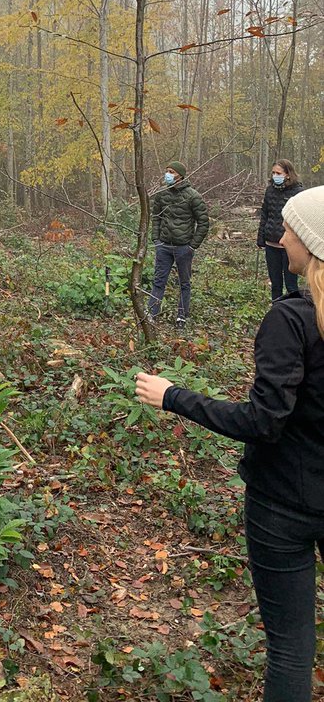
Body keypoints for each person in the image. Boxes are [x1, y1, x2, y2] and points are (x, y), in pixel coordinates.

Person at [136, 185, 324, 702]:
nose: (281, 237)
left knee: (290, 650)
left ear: (311, 244)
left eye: (290, 230)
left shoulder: (291, 320)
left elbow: (264, 421)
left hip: (282, 504)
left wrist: (173, 395)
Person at [148, 160, 209, 327]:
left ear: (181, 176)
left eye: (172, 172)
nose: (168, 175)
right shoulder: (161, 194)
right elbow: (156, 218)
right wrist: (156, 240)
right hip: (164, 246)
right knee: (159, 281)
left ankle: (181, 316)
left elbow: (203, 222)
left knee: (184, 282)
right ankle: (151, 313)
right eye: (167, 171)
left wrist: (192, 246)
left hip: (183, 247)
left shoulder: (193, 196)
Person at [257, 158, 304, 301]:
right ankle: (276, 313)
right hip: (271, 244)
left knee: (291, 284)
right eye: (273, 173)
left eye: (278, 173)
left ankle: (294, 314)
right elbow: (264, 214)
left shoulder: (298, 192)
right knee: (275, 284)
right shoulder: (270, 191)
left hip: (289, 246)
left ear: (288, 174)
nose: (275, 176)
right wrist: (261, 237)